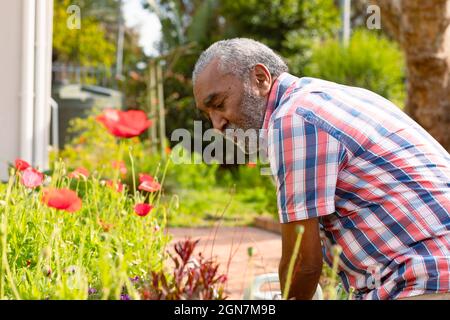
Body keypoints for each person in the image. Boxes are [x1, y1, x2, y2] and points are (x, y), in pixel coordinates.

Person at [192, 38, 450, 300]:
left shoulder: (293, 120)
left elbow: (302, 264)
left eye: (220, 104)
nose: (216, 125)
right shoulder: (331, 96)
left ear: (260, 78)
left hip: (426, 277)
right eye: (208, 113)